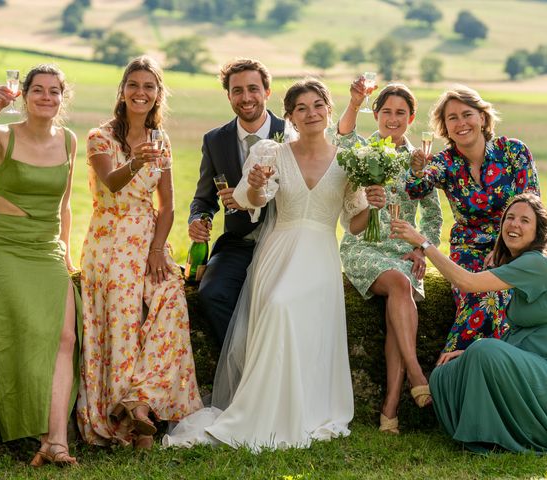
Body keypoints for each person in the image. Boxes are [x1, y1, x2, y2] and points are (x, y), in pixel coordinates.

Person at [164, 78, 385, 451]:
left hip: (320, 255)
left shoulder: (349, 161)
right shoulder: (273, 152)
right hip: (280, 250)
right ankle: (261, 407)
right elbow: (252, 201)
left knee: (309, 329)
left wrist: (373, 206)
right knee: (281, 306)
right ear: (290, 117)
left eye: (318, 105)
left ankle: (307, 408)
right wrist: (252, 184)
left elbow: (355, 223)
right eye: (301, 108)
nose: (311, 113)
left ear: (329, 111)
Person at [390, 193, 547, 453]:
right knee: (444, 373)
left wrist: (423, 243)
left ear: (538, 231)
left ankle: (485, 435)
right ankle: (488, 430)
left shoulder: (537, 263)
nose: (514, 225)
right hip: (536, 374)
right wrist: (466, 354)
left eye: (524, 220)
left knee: (483, 349)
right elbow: (522, 338)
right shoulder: (522, 264)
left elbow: (468, 283)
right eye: (509, 218)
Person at [76, 55, 202, 450]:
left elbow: (168, 206)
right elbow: (112, 184)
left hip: (146, 239)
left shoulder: (161, 141)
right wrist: (134, 161)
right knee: (122, 324)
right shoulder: (100, 137)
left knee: (171, 302)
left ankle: (141, 401)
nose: (141, 92)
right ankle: (127, 424)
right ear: (123, 90)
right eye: (134, 84)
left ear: (157, 94)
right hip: (109, 240)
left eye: (149, 86)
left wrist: (158, 249)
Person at [0, 65, 81, 466]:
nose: (46, 97)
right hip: (5, 247)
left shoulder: (68, 140)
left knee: (65, 337)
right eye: (38, 90)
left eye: (54, 91)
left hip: (46, 248)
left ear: (62, 98)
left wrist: (65, 250)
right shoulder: (3, 134)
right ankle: (45, 438)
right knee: (31, 333)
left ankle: (57, 443)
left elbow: (65, 204)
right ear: (25, 95)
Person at [332, 80, 443, 433]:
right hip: (363, 246)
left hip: (402, 248)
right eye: (386, 111)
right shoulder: (362, 150)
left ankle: (390, 409)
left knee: (402, 292)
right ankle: (415, 374)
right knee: (399, 284)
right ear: (376, 114)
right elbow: (343, 137)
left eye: (400, 113)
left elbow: (434, 214)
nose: (392, 119)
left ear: (410, 118)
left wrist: (422, 248)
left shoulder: (418, 160)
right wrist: (354, 101)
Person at [406, 85, 540, 363]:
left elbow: (532, 205)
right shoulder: (445, 162)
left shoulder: (513, 151)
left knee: (504, 299)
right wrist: (417, 169)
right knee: (482, 296)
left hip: (516, 247)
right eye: (451, 118)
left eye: (467, 114)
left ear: (482, 117)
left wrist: (505, 249)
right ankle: (457, 368)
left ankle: (461, 365)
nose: (460, 123)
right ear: (445, 127)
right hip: (468, 250)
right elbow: (417, 188)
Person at [188, 58, 285, 346]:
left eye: (253, 89)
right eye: (237, 90)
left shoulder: (291, 132)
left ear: (267, 92)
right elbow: (204, 199)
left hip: (283, 240)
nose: (246, 97)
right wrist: (198, 220)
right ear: (228, 95)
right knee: (212, 293)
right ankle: (242, 369)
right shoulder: (215, 140)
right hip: (239, 242)